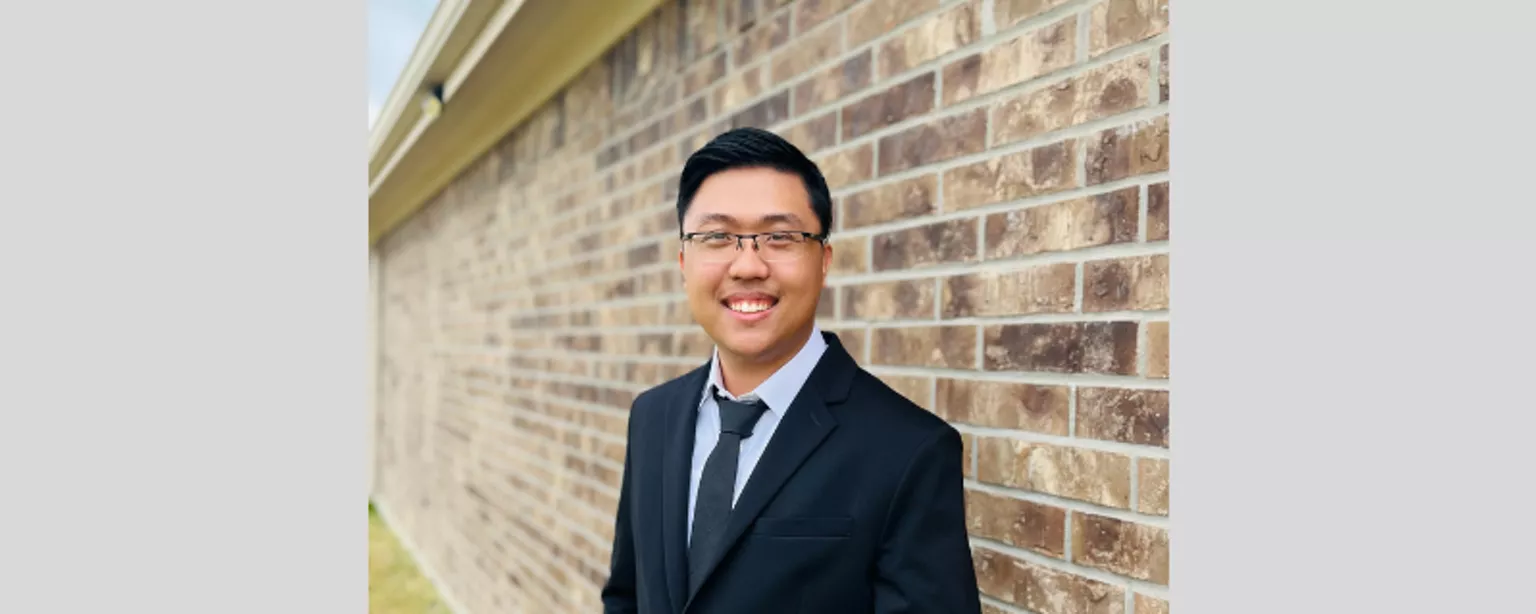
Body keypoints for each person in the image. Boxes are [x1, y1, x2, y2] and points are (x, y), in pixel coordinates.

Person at [600, 127, 981, 614]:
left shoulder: (909, 450)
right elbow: (627, 596)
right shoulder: (653, 416)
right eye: (717, 237)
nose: (748, 265)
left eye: (779, 237)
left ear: (823, 260)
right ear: (682, 261)